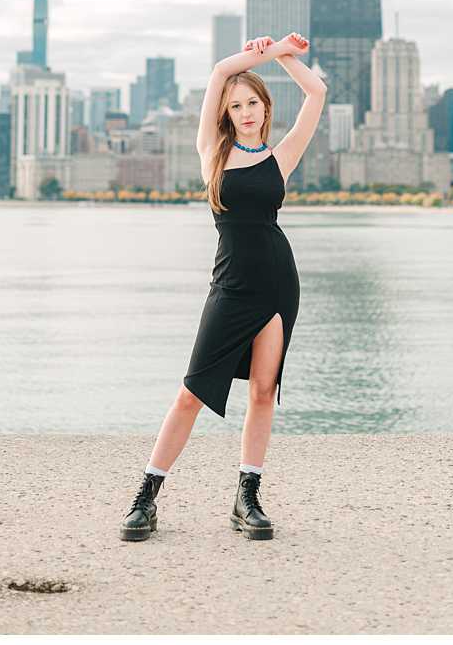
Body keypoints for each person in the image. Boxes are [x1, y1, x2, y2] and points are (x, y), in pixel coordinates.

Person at [120, 31, 327, 542]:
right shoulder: (213, 153)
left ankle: (247, 497)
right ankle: (146, 497)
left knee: (262, 391)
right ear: (227, 114)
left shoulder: (282, 156)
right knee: (191, 392)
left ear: (264, 105)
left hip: (278, 284)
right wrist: (267, 50)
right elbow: (218, 72)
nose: (246, 111)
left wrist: (283, 58)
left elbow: (316, 94)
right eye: (236, 106)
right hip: (230, 285)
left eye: (252, 102)